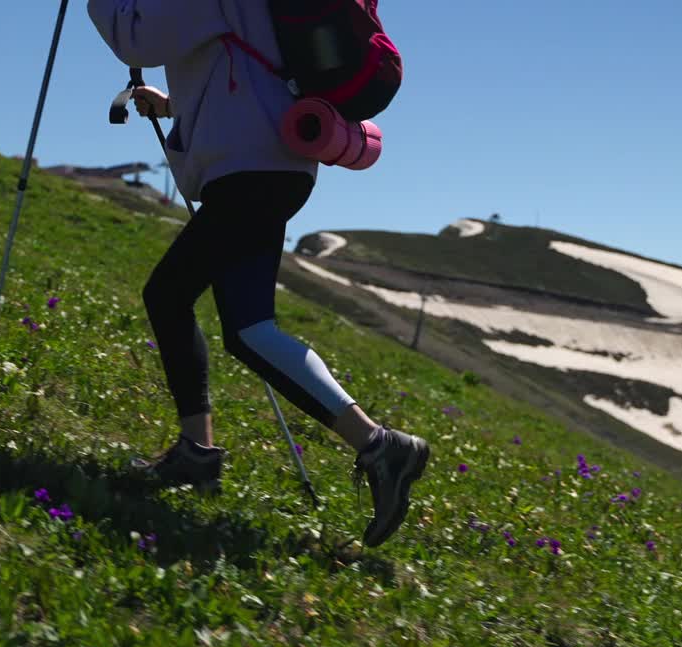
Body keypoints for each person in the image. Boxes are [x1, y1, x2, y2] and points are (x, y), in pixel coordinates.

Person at [87, 0, 430, 547]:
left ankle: (374, 445)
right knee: (249, 330)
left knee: (170, 295)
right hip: (271, 160)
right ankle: (369, 448)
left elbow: (136, 40)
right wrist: (176, 105)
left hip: (250, 166)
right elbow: (248, 68)